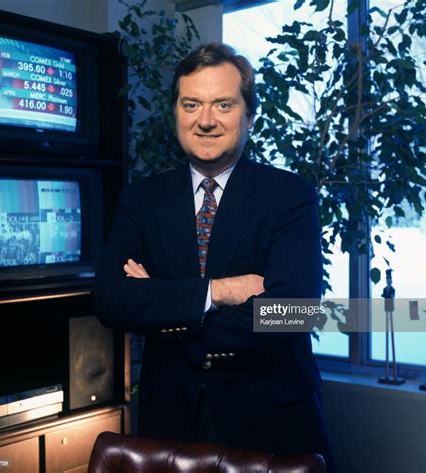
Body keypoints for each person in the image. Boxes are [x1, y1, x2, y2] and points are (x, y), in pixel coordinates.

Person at [93, 42, 334, 471]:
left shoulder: (290, 195)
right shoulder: (142, 199)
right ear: (176, 114)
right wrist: (220, 292)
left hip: (270, 421)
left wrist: (163, 303)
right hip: (169, 424)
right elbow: (111, 300)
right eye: (192, 105)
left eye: (223, 104)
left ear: (249, 115)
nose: (206, 120)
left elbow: (294, 313)